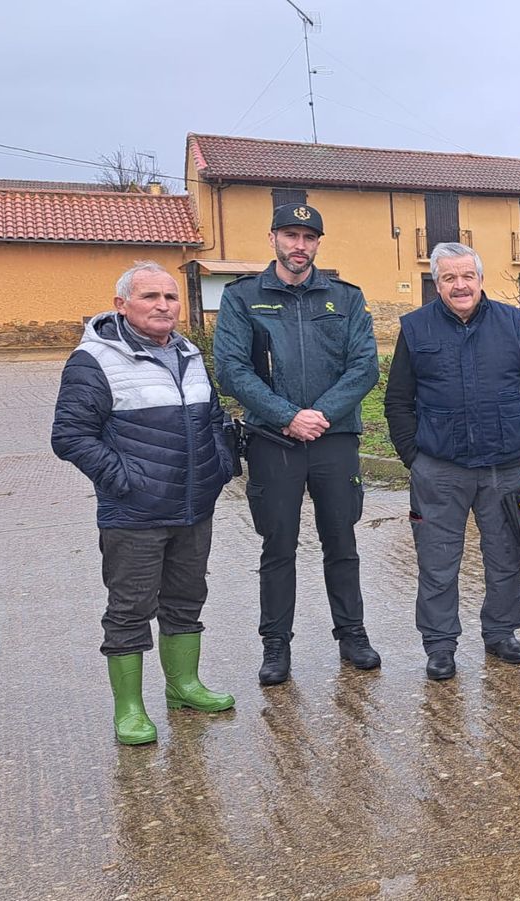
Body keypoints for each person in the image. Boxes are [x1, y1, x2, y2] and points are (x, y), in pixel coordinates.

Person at [52, 262, 236, 745]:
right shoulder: (94, 360)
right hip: (133, 513)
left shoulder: (189, 353)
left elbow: (214, 418)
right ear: (121, 305)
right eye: (150, 296)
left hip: (194, 507)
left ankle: (184, 686)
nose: (162, 306)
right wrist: (127, 480)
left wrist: (218, 467)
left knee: (186, 599)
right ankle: (130, 708)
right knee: (130, 608)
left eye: (170, 297)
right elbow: (70, 436)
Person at [213, 204, 382, 686]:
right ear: (273, 239)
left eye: (309, 237)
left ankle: (352, 635)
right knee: (278, 544)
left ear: (318, 244)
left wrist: (319, 417)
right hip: (273, 440)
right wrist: (287, 416)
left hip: (334, 439)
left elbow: (364, 368)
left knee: (342, 542)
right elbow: (232, 369)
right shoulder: (243, 298)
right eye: (291, 235)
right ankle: (276, 645)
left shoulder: (346, 298)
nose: (299, 245)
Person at [385, 243, 520, 680]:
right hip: (440, 470)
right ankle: (440, 645)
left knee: (505, 558)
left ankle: (501, 633)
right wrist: (415, 458)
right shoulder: (416, 329)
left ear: (480, 279)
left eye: (467, 276)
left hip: (505, 468)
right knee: (437, 561)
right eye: (449, 278)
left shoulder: (513, 324)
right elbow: (397, 402)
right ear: (436, 283)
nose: (459, 285)